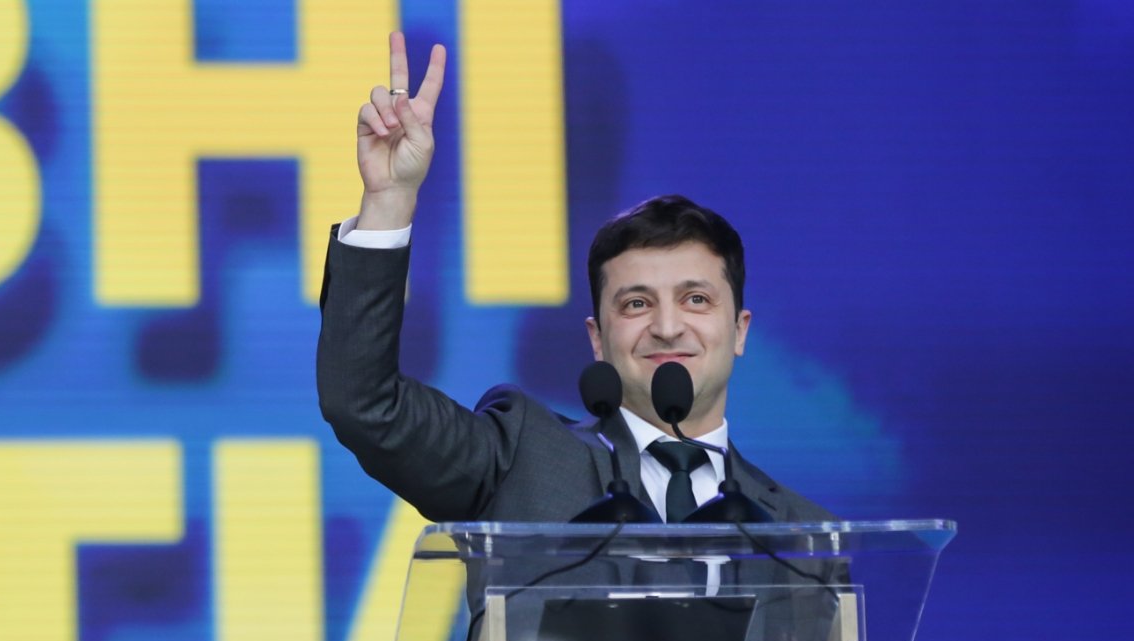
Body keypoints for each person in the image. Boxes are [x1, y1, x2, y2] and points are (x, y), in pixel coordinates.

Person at [316, 32, 833, 526]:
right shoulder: (521, 458)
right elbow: (365, 406)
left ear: (741, 329)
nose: (668, 327)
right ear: (596, 338)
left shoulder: (803, 531)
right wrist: (390, 199)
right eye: (636, 304)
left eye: (695, 299)